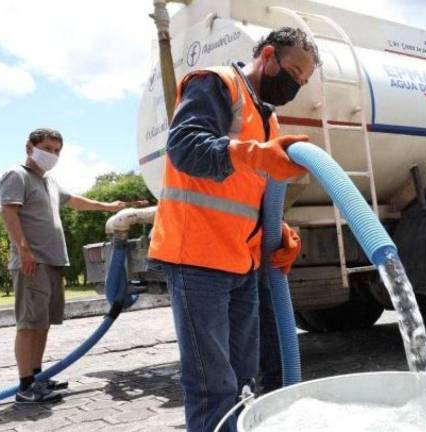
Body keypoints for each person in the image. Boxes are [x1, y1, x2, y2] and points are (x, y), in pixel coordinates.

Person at [148, 27, 319, 431]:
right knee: (213, 385)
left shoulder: (269, 118)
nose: (295, 84)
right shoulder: (215, 84)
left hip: (241, 260)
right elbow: (187, 148)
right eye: (293, 71)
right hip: (196, 256)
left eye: (303, 81)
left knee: (244, 381)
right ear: (269, 54)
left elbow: (249, 189)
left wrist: (277, 229)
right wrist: (255, 155)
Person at [0, 128, 137, 403]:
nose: (52, 154)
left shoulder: (48, 181)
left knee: (43, 323)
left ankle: (37, 378)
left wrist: (110, 206)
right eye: (47, 148)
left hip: (52, 262)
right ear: (30, 147)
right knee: (29, 324)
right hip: (33, 261)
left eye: (56, 150)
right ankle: (26, 386)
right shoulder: (17, 175)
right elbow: (8, 212)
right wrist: (24, 250)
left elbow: (75, 201)